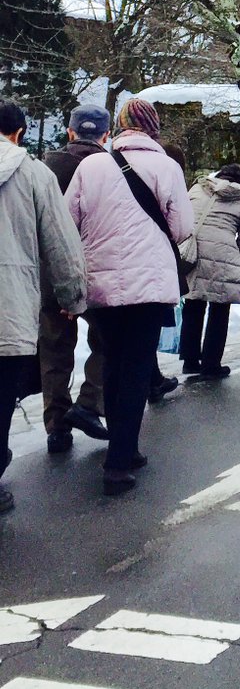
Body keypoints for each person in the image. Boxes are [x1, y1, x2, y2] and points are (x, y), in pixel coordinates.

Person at [65, 98, 193, 496]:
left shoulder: (91, 166)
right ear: (153, 128)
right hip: (149, 286)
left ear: (118, 127)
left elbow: (68, 222)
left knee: (113, 362)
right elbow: (183, 226)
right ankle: (120, 461)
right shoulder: (168, 168)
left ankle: (124, 450)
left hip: (100, 283)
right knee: (137, 369)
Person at [0, 101, 87, 514]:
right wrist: (72, 298)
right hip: (11, 305)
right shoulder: (35, 174)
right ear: (18, 133)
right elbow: (60, 243)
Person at [39, 105, 110, 454]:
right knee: (108, 339)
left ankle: (56, 426)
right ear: (105, 136)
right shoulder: (112, 172)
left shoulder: (44, 170)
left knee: (54, 351)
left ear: (69, 132)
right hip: (96, 272)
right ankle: (89, 401)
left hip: (51, 275)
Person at [179, 164, 240, 379]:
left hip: (192, 252)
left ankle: (190, 360)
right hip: (223, 254)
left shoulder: (197, 188)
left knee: (193, 302)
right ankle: (212, 364)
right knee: (220, 307)